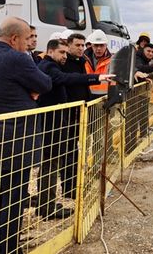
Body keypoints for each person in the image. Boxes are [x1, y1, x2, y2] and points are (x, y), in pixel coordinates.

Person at [0, 17, 52, 254]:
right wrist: (30, 92)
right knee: (13, 198)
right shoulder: (16, 58)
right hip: (15, 139)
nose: (28, 44)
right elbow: (45, 83)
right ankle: (8, 248)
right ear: (14, 38)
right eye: (27, 38)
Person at [36, 39, 112, 219]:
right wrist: (95, 77)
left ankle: (47, 203)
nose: (64, 56)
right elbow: (66, 79)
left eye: (65, 53)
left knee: (52, 164)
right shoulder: (49, 66)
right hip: (50, 126)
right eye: (61, 52)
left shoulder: (51, 65)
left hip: (54, 124)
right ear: (51, 51)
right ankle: (47, 208)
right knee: (50, 165)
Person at [61, 32, 94, 197]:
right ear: (68, 46)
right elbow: (69, 81)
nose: (81, 48)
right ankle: (69, 188)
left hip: (81, 110)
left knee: (77, 150)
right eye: (77, 45)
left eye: (83, 45)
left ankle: (75, 183)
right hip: (69, 114)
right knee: (68, 151)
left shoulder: (82, 61)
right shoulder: (64, 63)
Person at [85, 30, 113, 100]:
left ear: (106, 45)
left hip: (105, 98)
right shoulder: (83, 59)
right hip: (87, 99)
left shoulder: (112, 60)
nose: (99, 48)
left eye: (101, 45)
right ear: (91, 45)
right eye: (96, 45)